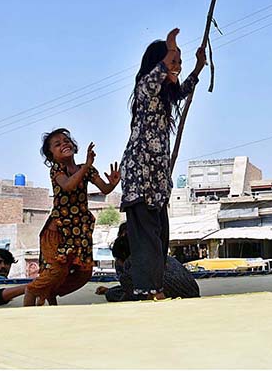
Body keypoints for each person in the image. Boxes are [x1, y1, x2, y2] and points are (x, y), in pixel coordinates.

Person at [120, 29, 206, 300]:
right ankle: (147, 291)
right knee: (146, 238)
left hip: (156, 178)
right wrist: (171, 49)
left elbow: (182, 90)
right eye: (171, 61)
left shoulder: (164, 96)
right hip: (139, 176)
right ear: (157, 64)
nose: (176, 66)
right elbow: (159, 75)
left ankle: (155, 288)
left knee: (159, 237)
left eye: (178, 62)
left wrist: (199, 66)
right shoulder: (146, 87)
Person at [24, 128, 121, 306]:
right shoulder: (56, 170)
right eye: (57, 144)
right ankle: (31, 296)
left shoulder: (87, 169)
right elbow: (68, 185)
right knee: (56, 271)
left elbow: (105, 189)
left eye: (66, 141)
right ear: (51, 155)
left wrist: (113, 183)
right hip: (57, 232)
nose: (64, 144)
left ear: (74, 146)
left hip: (80, 231)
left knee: (84, 273)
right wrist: (85, 167)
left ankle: (50, 292)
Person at [94, 223, 199, 301]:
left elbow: (131, 294)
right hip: (193, 291)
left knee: (116, 294)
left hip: (172, 294)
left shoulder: (131, 264)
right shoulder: (159, 254)